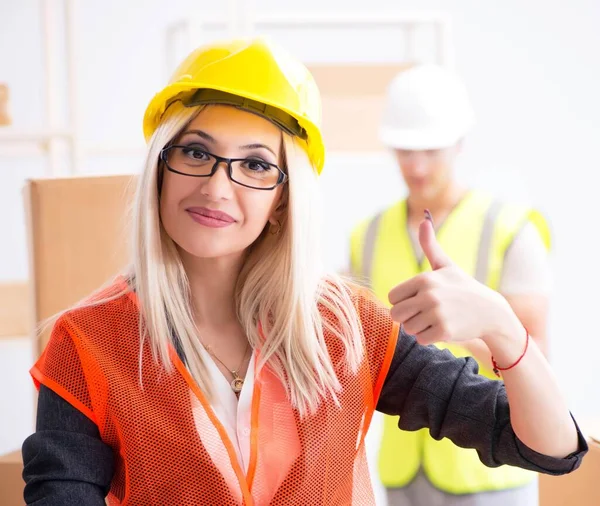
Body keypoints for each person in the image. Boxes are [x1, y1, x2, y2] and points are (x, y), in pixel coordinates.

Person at [21, 38, 586, 506]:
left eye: (257, 164)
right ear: (161, 168)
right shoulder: (89, 343)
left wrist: (502, 327)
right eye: (196, 152)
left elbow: (551, 447)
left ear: (284, 200)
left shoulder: (345, 329)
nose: (218, 185)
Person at [349, 63, 554, 506]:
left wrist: (469, 327)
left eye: (431, 150)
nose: (417, 165)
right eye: (405, 149)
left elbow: (536, 356)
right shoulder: (366, 235)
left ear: (460, 143)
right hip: (402, 469)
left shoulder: (510, 230)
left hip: (489, 464)